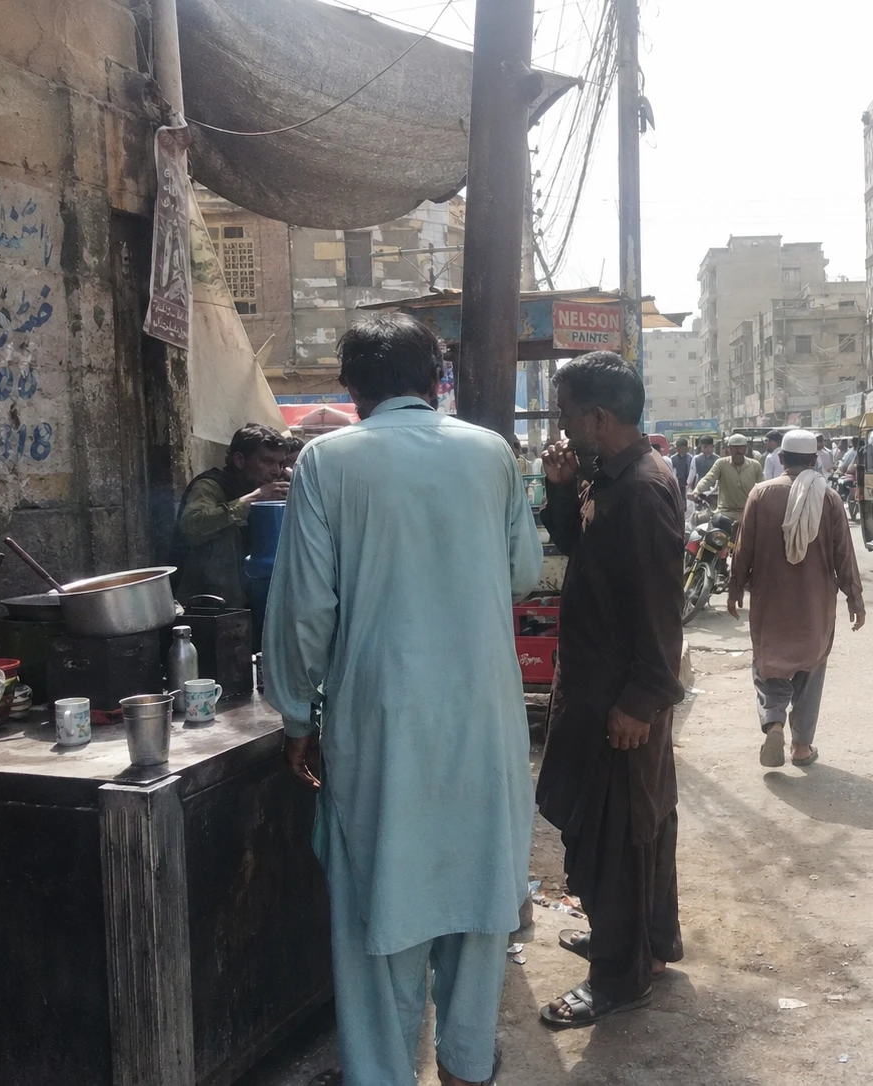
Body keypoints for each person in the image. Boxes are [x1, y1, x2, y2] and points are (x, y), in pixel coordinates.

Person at [263, 313, 542, 1086]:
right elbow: (522, 573)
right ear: (435, 382)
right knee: (478, 905)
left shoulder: (329, 463)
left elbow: (303, 611)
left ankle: (385, 1072)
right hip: (483, 717)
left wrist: (295, 716)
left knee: (379, 918)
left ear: (354, 393)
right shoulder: (491, 454)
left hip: (378, 723)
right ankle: (464, 1066)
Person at [536, 351, 685, 1029]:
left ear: (597, 416)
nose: (564, 429)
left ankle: (618, 978)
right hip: (601, 689)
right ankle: (641, 944)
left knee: (616, 837)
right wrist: (563, 489)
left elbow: (660, 610)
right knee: (631, 827)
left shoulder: (642, 489)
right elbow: (582, 551)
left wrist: (641, 701)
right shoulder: (611, 479)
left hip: (619, 700)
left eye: (568, 416)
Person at [727, 429, 865, 768]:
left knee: (769, 665)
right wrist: (855, 600)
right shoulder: (830, 498)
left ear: (782, 459)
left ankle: (774, 722)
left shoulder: (760, 494)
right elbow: (844, 555)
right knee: (810, 668)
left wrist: (733, 589)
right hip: (815, 602)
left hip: (770, 600)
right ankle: (801, 747)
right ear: (814, 460)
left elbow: (742, 549)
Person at [171, 423, 289, 607]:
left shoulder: (273, 491)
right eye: (267, 461)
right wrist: (250, 500)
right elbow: (191, 527)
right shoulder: (211, 486)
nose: (276, 471)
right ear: (240, 460)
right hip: (208, 602)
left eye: (280, 463)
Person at [692, 433, 764, 525]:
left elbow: (762, 485)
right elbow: (708, 479)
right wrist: (697, 491)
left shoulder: (755, 465)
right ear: (729, 449)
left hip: (747, 512)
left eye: (741, 448)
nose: (738, 451)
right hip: (725, 513)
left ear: (746, 449)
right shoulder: (721, 463)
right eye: (734, 448)